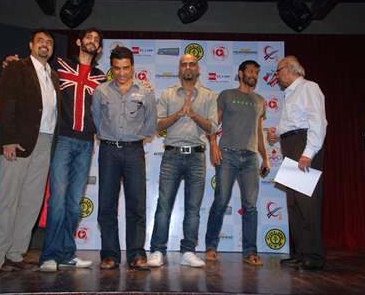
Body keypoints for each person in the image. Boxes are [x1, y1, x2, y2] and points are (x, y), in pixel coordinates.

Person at [0, 30, 60, 278]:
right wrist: (8, 140)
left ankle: (15, 255)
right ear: (31, 45)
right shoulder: (17, 67)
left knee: (31, 202)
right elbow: (5, 103)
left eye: (49, 43)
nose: (45, 45)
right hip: (18, 142)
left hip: (46, 142)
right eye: (41, 41)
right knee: (7, 199)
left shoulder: (54, 76)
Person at [38, 29, 106, 271]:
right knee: (57, 200)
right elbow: (39, 70)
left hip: (86, 144)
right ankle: (49, 255)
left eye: (96, 40)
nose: (92, 42)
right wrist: (14, 64)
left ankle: (67, 253)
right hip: (64, 141)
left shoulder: (100, 78)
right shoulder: (62, 66)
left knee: (75, 203)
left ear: (98, 49)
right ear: (79, 42)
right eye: (88, 37)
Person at [147, 54, 218, 268]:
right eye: (184, 64)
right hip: (171, 155)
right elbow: (158, 125)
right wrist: (178, 114)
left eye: (192, 64)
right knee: (164, 205)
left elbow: (213, 127)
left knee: (193, 208)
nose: (188, 67)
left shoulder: (209, 96)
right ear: (179, 69)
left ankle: (188, 251)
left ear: (198, 69)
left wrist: (194, 115)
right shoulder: (168, 93)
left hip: (197, 156)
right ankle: (157, 250)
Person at [91, 46, 157, 270]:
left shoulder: (146, 92)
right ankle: (109, 255)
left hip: (134, 151)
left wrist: (134, 138)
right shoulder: (101, 91)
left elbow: (150, 125)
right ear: (112, 68)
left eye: (126, 68)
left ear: (132, 67)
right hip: (108, 151)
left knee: (136, 204)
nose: (121, 73)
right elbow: (97, 121)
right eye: (117, 68)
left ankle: (137, 254)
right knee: (106, 205)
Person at [204, 60, 270, 265]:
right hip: (227, 156)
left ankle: (250, 252)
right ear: (240, 73)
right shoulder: (226, 95)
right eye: (250, 71)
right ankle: (211, 247)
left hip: (250, 158)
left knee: (250, 206)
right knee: (221, 201)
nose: (253, 75)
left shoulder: (260, 100)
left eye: (256, 72)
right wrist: (213, 145)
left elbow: (259, 133)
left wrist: (265, 158)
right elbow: (214, 123)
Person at [267, 55, 327, 270]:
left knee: (307, 203)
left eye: (278, 71)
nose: (276, 76)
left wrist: (308, 152)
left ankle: (315, 255)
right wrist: (277, 135)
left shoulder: (309, 87)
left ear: (290, 69)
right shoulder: (289, 95)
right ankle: (301, 253)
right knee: (293, 203)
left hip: (303, 146)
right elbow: (293, 124)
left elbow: (318, 121)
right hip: (291, 145)